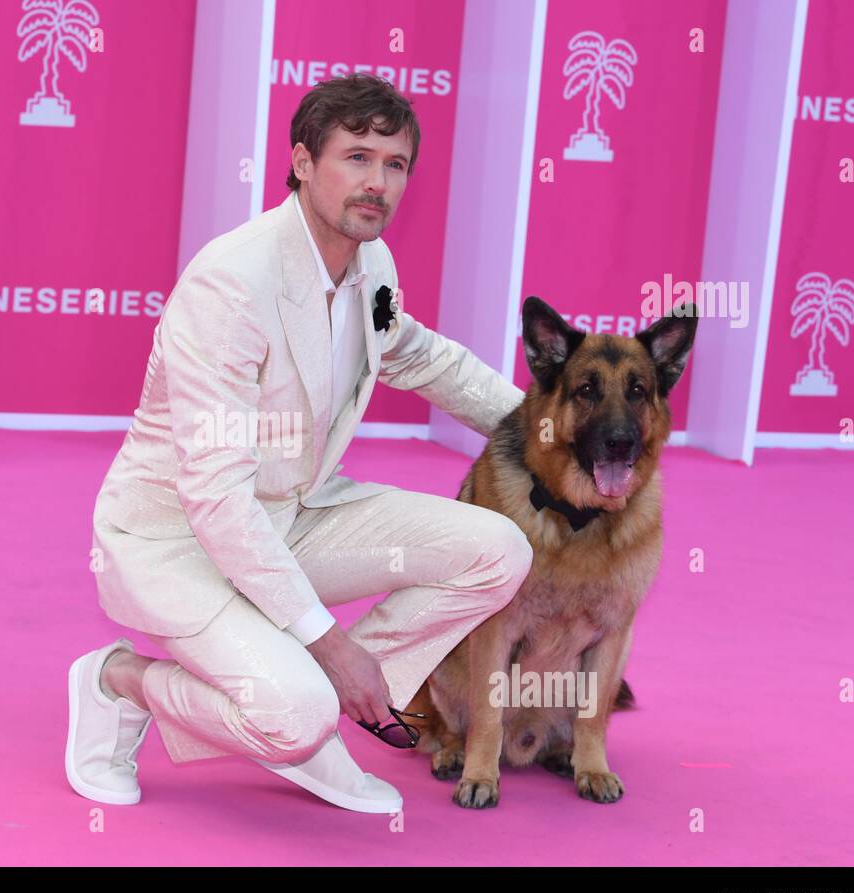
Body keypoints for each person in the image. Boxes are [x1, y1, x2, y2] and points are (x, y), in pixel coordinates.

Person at [66, 74, 533, 813]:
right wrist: (330, 645)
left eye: (396, 163)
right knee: (296, 708)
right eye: (356, 156)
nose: (377, 182)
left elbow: (414, 353)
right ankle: (123, 681)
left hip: (296, 513)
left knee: (499, 550)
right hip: (182, 539)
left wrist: (546, 430)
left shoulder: (369, 261)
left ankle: (310, 721)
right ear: (304, 162)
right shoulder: (231, 285)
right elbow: (217, 497)